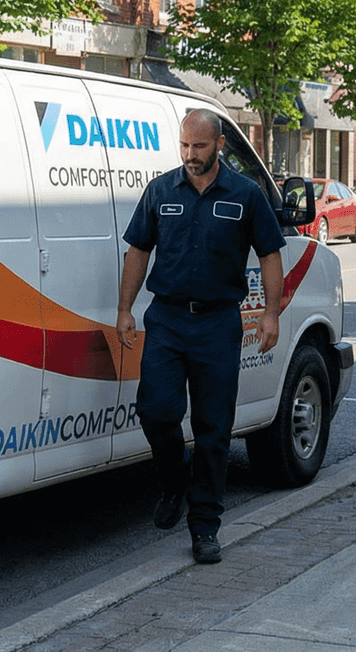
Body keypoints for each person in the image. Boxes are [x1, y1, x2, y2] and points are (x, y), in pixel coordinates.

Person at [116, 109, 285, 565]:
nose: (191, 156)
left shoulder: (246, 195)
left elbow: (270, 254)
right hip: (167, 320)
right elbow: (138, 250)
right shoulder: (160, 190)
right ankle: (175, 480)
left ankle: (205, 526)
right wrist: (125, 309)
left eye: (200, 147)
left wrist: (271, 313)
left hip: (218, 323)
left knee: (214, 430)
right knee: (156, 411)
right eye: (185, 147)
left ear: (219, 146)